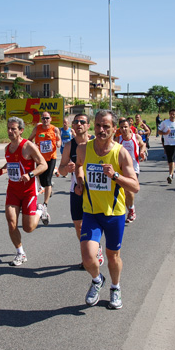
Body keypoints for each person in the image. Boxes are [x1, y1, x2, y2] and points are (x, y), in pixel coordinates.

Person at [74, 110, 140, 309]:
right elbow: (78, 165)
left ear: (114, 129)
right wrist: (79, 180)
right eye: (98, 126)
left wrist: (115, 177)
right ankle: (96, 280)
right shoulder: (85, 148)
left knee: (113, 256)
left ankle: (115, 287)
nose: (101, 130)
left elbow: (135, 186)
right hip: (92, 212)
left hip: (114, 214)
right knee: (87, 257)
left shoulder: (120, 152)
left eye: (106, 127)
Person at [0, 117, 48, 266]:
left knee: (28, 228)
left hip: (28, 191)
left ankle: (40, 210)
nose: (10, 131)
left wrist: (30, 174)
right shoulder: (8, 148)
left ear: (21, 130)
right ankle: (20, 253)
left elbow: (43, 165)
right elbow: (9, 164)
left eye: (13, 129)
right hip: (13, 190)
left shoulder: (28, 146)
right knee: (11, 222)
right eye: (8, 128)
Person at [57, 113, 104, 269]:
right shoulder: (69, 146)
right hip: (76, 189)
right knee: (78, 225)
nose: (78, 124)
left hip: (95, 190)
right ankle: (88, 252)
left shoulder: (96, 143)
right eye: (75, 122)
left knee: (92, 223)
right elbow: (61, 170)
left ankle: (94, 252)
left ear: (88, 125)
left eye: (82, 122)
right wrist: (66, 168)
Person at [28, 111, 61, 224]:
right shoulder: (37, 128)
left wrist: (58, 144)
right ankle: (48, 189)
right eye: (43, 118)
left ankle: (45, 205)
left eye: (47, 118)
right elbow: (29, 139)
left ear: (50, 119)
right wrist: (33, 146)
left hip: (51, 157)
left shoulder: (54, 129)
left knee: (47, 181)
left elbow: (59, 139)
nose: (45, 120)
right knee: (42, 182)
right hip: (40, 159)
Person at [117, 118, 146, 223]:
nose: (124, 129)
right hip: (121, 169)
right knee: (124, 192)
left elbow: (143, 144)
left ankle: (131, 209)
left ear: (130, 127)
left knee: (128, 190)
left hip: (134, 168)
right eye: (122, 127)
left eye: (126, 127)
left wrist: (142, 152)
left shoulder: (136, 137)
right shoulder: (118, 140)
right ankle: (130, 210)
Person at [157, 109, 175, 184]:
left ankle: (170, 175)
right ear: (169, 114)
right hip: (167, 143)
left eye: (174, 114)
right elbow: (159, 132)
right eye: (171, 114)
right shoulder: (164, 123)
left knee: (172, 159)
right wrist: (165, 133)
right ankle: (172, 172)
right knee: (169, 160)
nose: (172, 115)